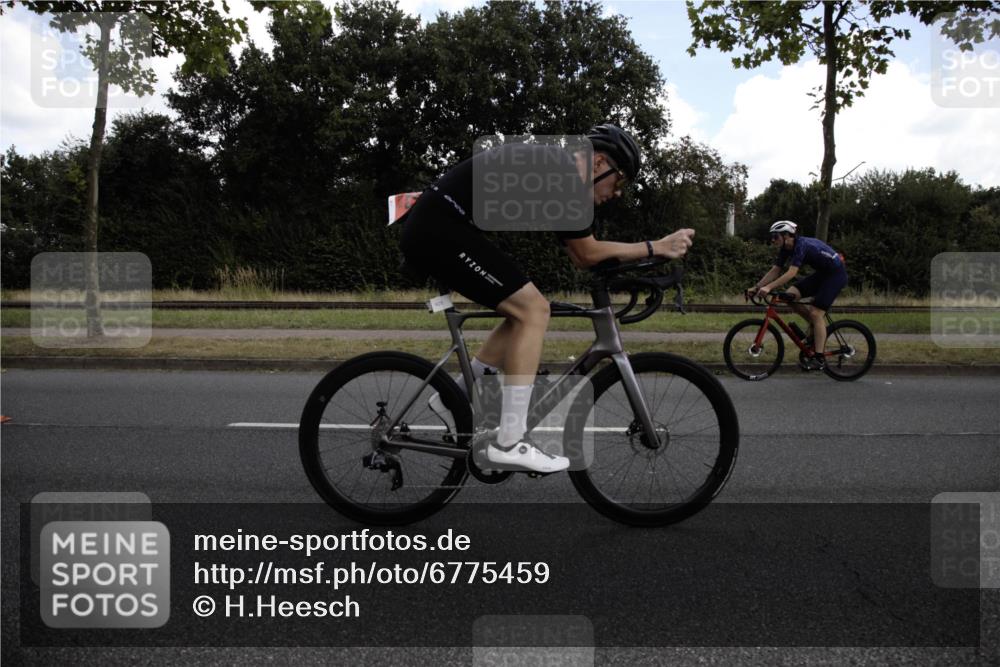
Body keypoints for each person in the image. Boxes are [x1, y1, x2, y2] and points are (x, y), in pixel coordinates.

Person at [400, 124, 695, 473]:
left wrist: (643, 255)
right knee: (533, 310)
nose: (617, 193)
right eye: (619, 181)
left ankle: (455, 399)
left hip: (440, 226)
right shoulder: (563, 176)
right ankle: (509, 442)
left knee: (525, 310)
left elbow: (582, 256)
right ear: (599, 163)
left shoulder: (556, 172)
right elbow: (587, 253)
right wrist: (656, 247)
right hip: (440, 230)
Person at [748, 220, 848, 370]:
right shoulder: (786, 248)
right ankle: (815, 328)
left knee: (816, 313)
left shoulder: (801, 245)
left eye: (775, 236)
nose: (773, 240)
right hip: (823, 274)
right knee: (790, 295)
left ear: (787, 235)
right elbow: (776, 270)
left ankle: (819, 358)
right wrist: (757, 287)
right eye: (772, 237)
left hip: (836, 275)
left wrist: (768, 287)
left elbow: (792, 273)